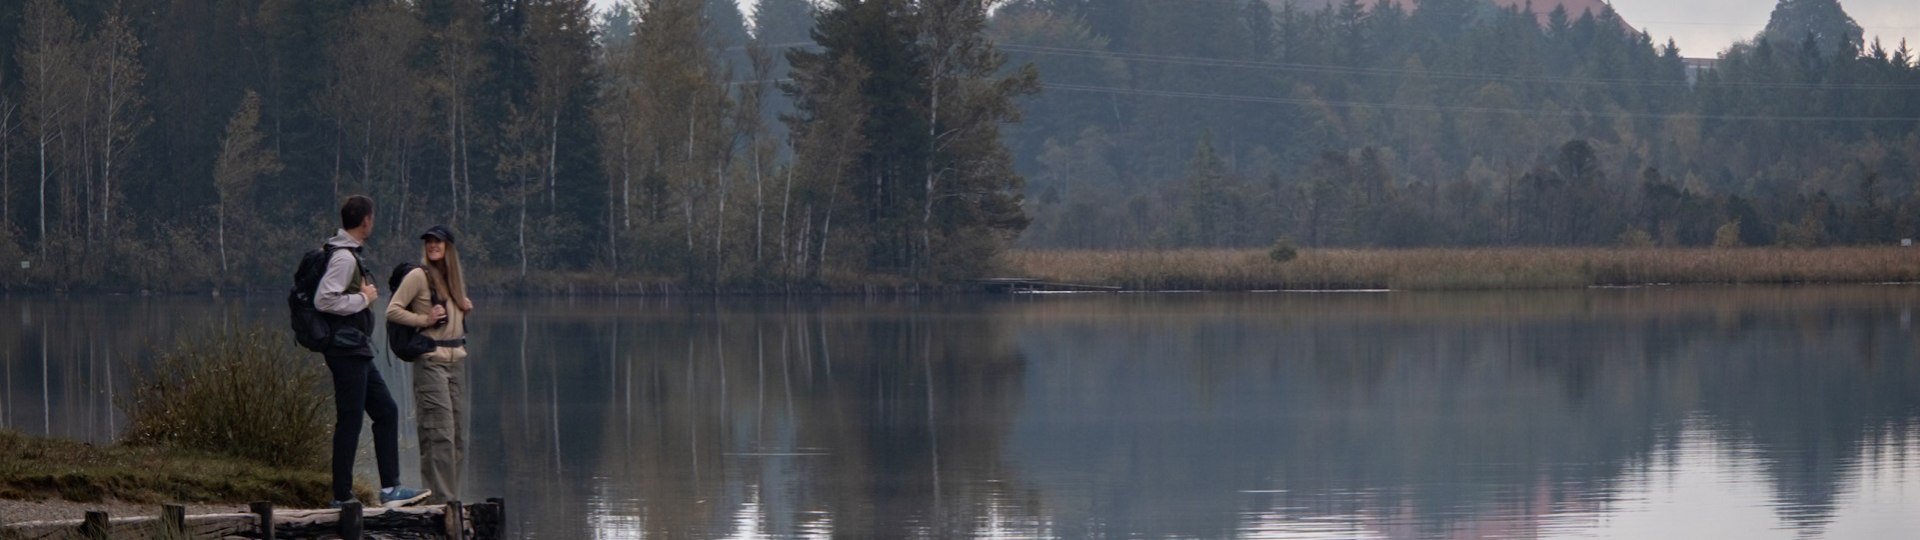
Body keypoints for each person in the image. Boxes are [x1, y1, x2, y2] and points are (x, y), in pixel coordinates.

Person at [315, 195, 430, 508]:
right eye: (372, 217)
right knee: (350, 419)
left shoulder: (346, 253)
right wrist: (363, 299)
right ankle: (341, 495)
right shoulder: (343, 258)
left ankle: (391, 489)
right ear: (366, 220)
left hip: (357, 348)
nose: (372, 222)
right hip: (345, 350)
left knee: (386, 410)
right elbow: (324, 301)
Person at [385, 225, 474, 504]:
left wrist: (461, 310)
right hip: (431, 362)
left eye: (439, 242)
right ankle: (441, 504)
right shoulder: (417, 276)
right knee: (439, 435)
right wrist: (424, 320)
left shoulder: (454, 279)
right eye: (429, 242)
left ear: (449, 247)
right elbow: (393, 310)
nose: (433, 245)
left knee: (458, 437)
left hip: (456, 361)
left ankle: (451, 499)